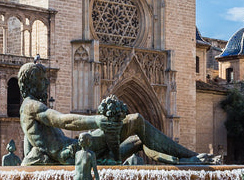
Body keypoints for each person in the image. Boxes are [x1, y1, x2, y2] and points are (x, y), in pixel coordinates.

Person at [16, 61, 213, 166]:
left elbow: (31, 142)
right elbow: (62, 120)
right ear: (32, 82)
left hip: (73, 149)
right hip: (73, 152)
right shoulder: (32, 106)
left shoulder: (28, 108)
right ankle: (192, 156)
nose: (46, 84)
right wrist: (98, 121)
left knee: (138, 141)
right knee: (135, 120)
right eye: (43, 80)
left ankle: (182, 161)